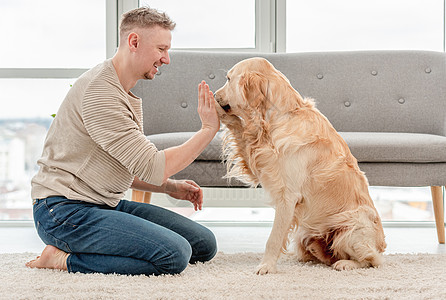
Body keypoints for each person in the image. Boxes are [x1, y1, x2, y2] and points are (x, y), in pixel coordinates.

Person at [25, 7, 220, 276]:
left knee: (203, 244)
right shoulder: (101, 93)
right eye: (161, 49)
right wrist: (208, 129)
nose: (167, 59)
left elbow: (122, 165)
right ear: (134, 42)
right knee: (174, 255)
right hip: (64, 212)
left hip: (103, 203)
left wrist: (170, 188)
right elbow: (154, 166)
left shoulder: (121, 90)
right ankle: (61, 259)